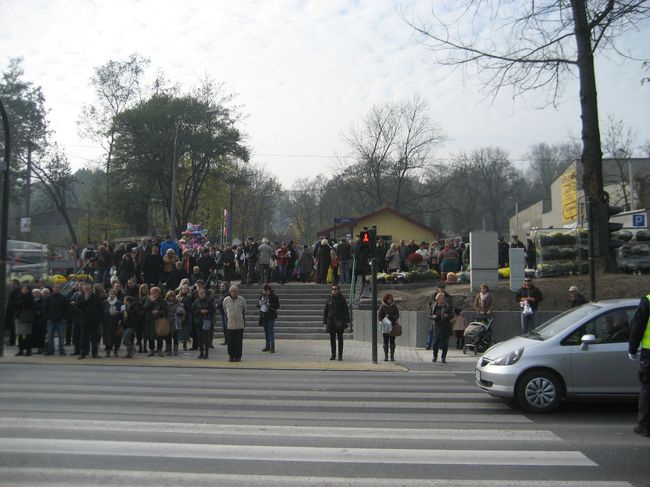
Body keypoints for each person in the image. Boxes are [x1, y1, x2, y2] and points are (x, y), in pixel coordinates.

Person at [629, 293, 650, 437]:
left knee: (648, 389)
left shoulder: (647, 300)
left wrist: (632, 348)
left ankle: (645, 426)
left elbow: (638, 326)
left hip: (649, 353)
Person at [323, 284, 349, 361]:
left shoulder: (342, 299)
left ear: (338, 290)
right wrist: (325, 321)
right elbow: (326, 310)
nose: (334, 291)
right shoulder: (329, 298)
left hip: (339, 321)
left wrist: (346, 320)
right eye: (332, 289)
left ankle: (340, 355)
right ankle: (333, 354)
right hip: (331, 321)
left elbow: (346, 310)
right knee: (332, 339)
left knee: (340, 338)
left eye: (335, 289)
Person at [77, 284, 104, 359]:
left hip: (94, 321)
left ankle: (94, 353)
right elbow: (78, 306)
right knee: (83, 338)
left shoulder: (96, 297)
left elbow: (101, 308)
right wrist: (85, 299)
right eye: (85, 289)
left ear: (91, 289)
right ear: (83, 290)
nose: (87, 290)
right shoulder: (80, 297)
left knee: (94, 338)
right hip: (84, 321)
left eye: (89, 289)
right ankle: (83, 353)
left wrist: (99, 318)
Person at [43, 284, 68, 356]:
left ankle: (61, 350)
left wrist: (64, 317)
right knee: (50, 336)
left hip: (60, 320)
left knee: (61, 337)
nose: (57, 289)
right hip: (51, 320)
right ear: (53, 288)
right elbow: (46, 308)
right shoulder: (49, 298)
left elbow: (66, 309)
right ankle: (50, 350)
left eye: (58, 288)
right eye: (55, 287)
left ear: (60, 289)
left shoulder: (63, 298)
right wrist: (47, 317)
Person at [223, 285, 246, 362]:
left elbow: (244, 308)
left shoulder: (241, 299)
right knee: (230, 342)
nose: (235, 293)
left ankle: (238, 356)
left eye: (236, 291)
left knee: (238, 342)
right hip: (230, 324)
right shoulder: (226, 300)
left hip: (239, 324)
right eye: (233, 291)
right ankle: (231, 356)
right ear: (230, 292)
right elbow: (224, 310)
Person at [142, 287, 167, 357]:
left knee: (159, 336)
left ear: (159, 293)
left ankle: (159, 350)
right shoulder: (148, 299)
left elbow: (165, 310)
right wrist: (151, 302)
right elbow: (144, 308)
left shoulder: (162, 301)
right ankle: (151, 350)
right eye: (152, 292)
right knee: (151, 336)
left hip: (159, 320)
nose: (153, 294)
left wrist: (158, 312)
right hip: (150, 321)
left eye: (155, 292)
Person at [191, 287, 214, 359]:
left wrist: (207, 311)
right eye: (200, 293)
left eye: (203, 293)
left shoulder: (209, 301)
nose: (202, 294)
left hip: (206, 320)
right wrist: (200, 311)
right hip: (198, 321)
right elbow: (192, 311)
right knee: (200, 338)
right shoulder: (195, 302)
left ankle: (206, 353)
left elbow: (213, 310)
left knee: (206, 337)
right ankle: (201, 352)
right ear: (198, 294)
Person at [13, 286, 35, 357]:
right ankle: (20, 350)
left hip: (26, 317)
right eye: (23, 289)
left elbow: (31, 306)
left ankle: (28, 350)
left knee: (27, 334)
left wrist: (23, 303)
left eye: (26, 289)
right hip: (19, 316)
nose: (24, 290)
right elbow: (14, 305)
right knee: (19, 334)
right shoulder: (18, 296)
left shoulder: (30, 297)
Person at [431, 292, 452, 363]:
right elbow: (429, 315)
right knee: (435, 343)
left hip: (445, 327)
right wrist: (432, 316)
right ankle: (435, 356)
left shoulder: (447, 306)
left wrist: (448, 316)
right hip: (437, 327)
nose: (442, 299)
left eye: (443, 298)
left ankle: (443, 358)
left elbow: (452, 315)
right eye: (441, 298)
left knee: (445, 344)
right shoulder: (434, 306)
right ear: (437, 299)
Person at [258, 284, 280, 353]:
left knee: (271, 331)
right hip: (264, 316)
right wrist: (260, 304)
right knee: (266, 331)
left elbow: (277, 306)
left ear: (269, 290)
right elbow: (259, 304)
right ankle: (267, 346)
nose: (265, 292)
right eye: (264, 290)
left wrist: (269, 305)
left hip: (271, 315)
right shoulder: (262, 297)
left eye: (266, 290)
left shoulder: (274, 297)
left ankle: (272, 347)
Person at [378, 293, 399, 362]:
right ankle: (386, 356)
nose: (390, 300)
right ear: (386, 299)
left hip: (392, 326)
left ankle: (392, 355)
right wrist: (385, 318)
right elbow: (379, 317)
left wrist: (391, 316)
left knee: (392, 341)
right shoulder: (382, 307)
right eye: (389, 299)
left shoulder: (394, 306)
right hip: (385, 327)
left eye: (391, 299)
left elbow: (397, 315)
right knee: (385, 341)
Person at [103, 288, 123, 357]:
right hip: (107, 322)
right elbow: (103, 311)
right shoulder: (105, 302)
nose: (111, 295)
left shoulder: (119, 302)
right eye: (110, 293)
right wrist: (108, 313)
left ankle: (116, 350)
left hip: (116, 322)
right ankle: (108, 350)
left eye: (112, 293)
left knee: (116, 336)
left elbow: (122, 312)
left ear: (115, 294)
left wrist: (118, 313)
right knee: (107, 337)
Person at [165, 290, 185, 356]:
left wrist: (179, 310)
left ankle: (176, 350)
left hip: (175, 321)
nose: (171, 297)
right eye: (170, 296)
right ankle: (168, 350)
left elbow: (181, 310)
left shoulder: (177, 303)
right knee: (168, 337)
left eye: (173, 296)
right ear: (167, 296)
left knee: (175, 337)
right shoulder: (165, 303)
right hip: (167, 321)